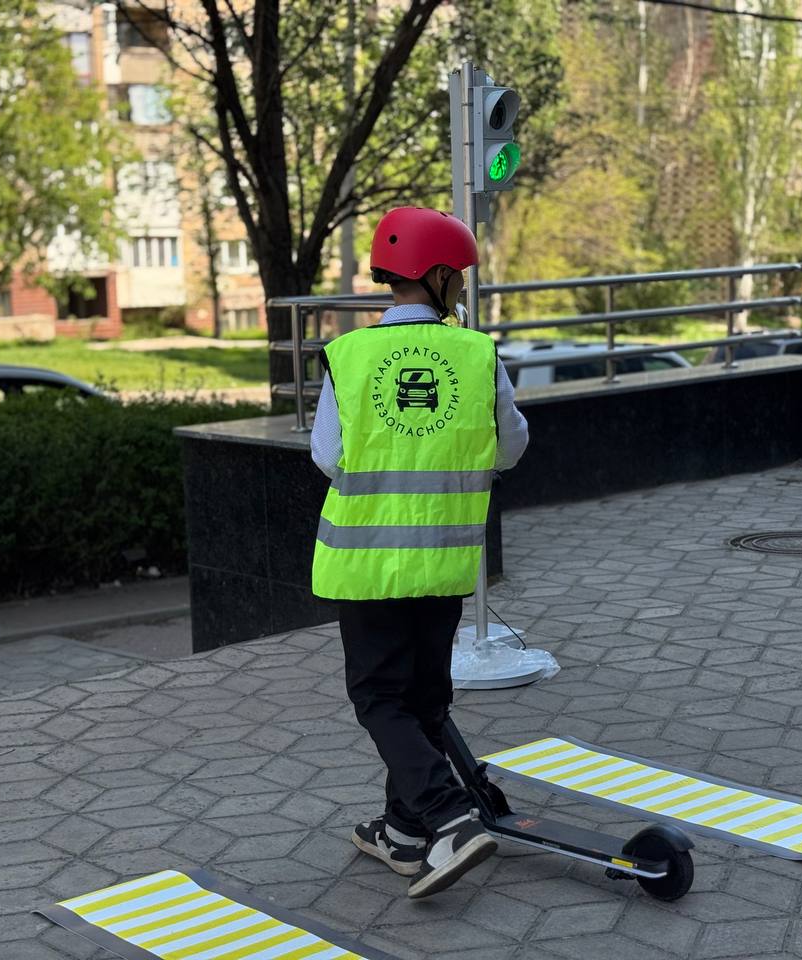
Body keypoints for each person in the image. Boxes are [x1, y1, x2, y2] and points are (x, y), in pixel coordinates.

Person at [309, 206, 529, 899]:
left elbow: (327, 456)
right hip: (441, 558)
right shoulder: (475, 354)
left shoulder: (349, 355)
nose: (460, 288)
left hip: (367, 561)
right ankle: (404, 834)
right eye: (456, 277)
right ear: (435, 277)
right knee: (425, 697)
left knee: (378, 696)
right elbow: (513, 445)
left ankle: (447, 816)